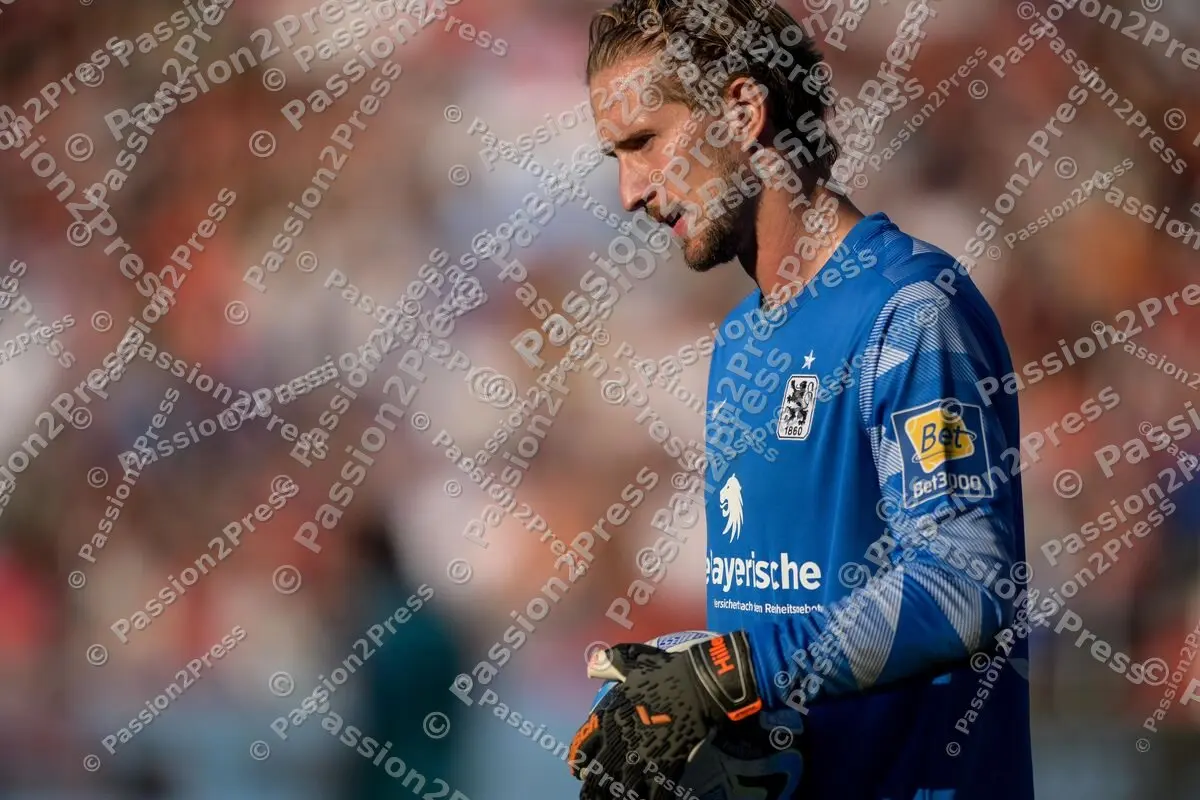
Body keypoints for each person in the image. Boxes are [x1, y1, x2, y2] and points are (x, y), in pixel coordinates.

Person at [567, 1, 1034, 798]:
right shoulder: (741, 341)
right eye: (616, 155)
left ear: (743, 111)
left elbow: (969, 581)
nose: (628, 192)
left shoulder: (908, 309)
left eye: (644, 142)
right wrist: (686, 676)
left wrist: (732, 669)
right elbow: (799, 611)